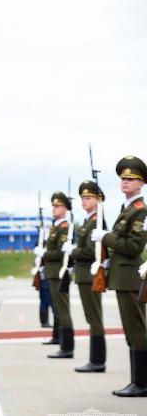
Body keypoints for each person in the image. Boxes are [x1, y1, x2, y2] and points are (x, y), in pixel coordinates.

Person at [91, 156, 147, 397]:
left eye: (130, 179)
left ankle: (142, 382)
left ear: (141, 183)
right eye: (123, 178)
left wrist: (105, 237)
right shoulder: (127, 209)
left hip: (130, 276)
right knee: (131, 328)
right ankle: (138, 380)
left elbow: (134, 247)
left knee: (136, 328)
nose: (124, 182)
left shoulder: (140, 211)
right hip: (122, 276)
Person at [65, 181, 106, 372]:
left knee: (94, 318)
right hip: (83, 275)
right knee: (91, 317)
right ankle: (95, 359)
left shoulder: (97, 221)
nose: (84, 201)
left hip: (90, 275)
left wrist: (74, 251)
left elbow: (91, 251)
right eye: (82, 198)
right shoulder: (89, 221)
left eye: (88, 198)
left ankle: (97, 361)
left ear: (98, 200)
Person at [34, 191, 74, 359]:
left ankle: (67, 348)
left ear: (65, 208)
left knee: (62, 310)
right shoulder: (56, 227)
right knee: (57, 309)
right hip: (51, 273)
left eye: (57, 206)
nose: (54, 208)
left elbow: (59, 253)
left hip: (59, 273)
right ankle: (60, 341)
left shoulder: (65, 227)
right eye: (53, 206)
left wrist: (44, 253)